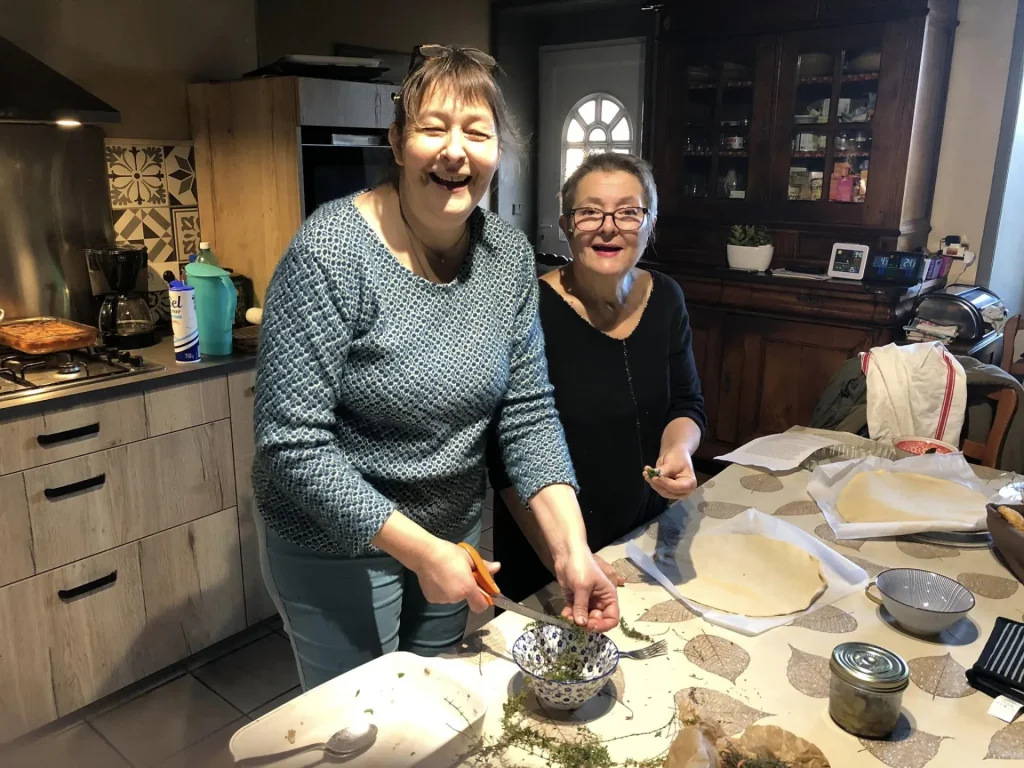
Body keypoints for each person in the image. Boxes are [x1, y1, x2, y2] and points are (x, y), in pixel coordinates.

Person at [251, 45, 619, 690]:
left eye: (477, 132)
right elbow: (291, 442)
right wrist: (420, 551)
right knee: (363, 727)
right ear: (397, 142)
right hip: (334, 546)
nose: (456, 151)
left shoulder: (506, 257)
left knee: (434, 704)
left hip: (454, 536)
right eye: (432, 128)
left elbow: (527, 411)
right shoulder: (330, 252)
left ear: (497, 152)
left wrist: (572, 552)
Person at [489, 152, 707, 601]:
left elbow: (687, 403)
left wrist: (678, 451)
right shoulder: (526, 308)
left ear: (649, 222)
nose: (609, 227)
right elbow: (504, 462)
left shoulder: (666, 298)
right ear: (567, 224)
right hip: (546, 555)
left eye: (628, 212)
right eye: (590, 212)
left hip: (642, 540)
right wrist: (566, 558)